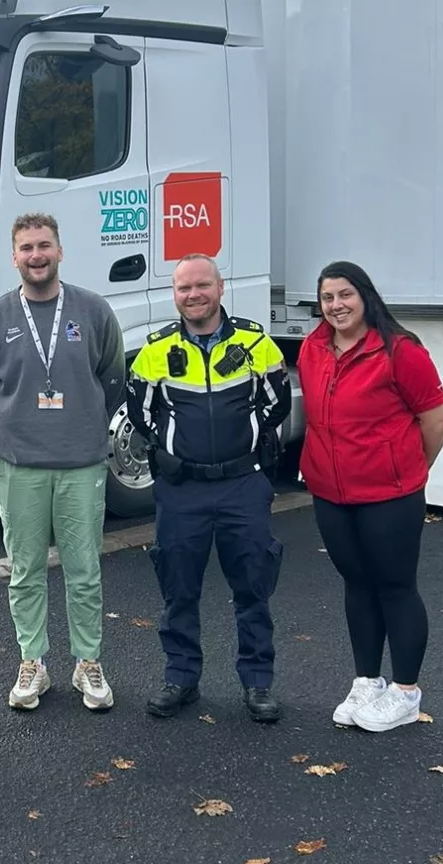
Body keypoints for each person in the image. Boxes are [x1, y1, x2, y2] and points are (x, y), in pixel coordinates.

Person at [0, 213, 126, 712]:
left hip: (81, 463)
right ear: (14, 257)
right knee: (25, 571)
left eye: (44, 245)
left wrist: (82, 424)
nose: (36, 255)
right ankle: (32, 660)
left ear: (60, 251)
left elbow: (112, 377)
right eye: (26, 248)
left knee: (84, 570)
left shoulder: (93, 310)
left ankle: (87, 663)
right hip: (21, 466)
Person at [126, 253, 291, 723]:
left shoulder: (255, 343)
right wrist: (169, 450)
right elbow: (139, 413)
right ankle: (181, 677)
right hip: (183, 491)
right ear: (173, 295)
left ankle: (258, 683)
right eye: (183, 289)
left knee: (253, 587)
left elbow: (276, 402)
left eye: (202, 286)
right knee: (179, 590)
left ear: (220, 288)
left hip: (242, 484)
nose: (193, 295)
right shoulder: (155, 351)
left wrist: (253, 440)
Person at [297, 261, 443, 732]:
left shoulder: (400, 350)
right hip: (330, 492)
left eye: (345, 295)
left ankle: (405, 692)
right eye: (327, 298)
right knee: (357, 583)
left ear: (365, 296)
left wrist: (409, 469)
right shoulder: (312, 348)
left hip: (390, 493)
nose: (336, 306)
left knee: (395, 586)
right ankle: (367, 681)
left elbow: (435, 419)